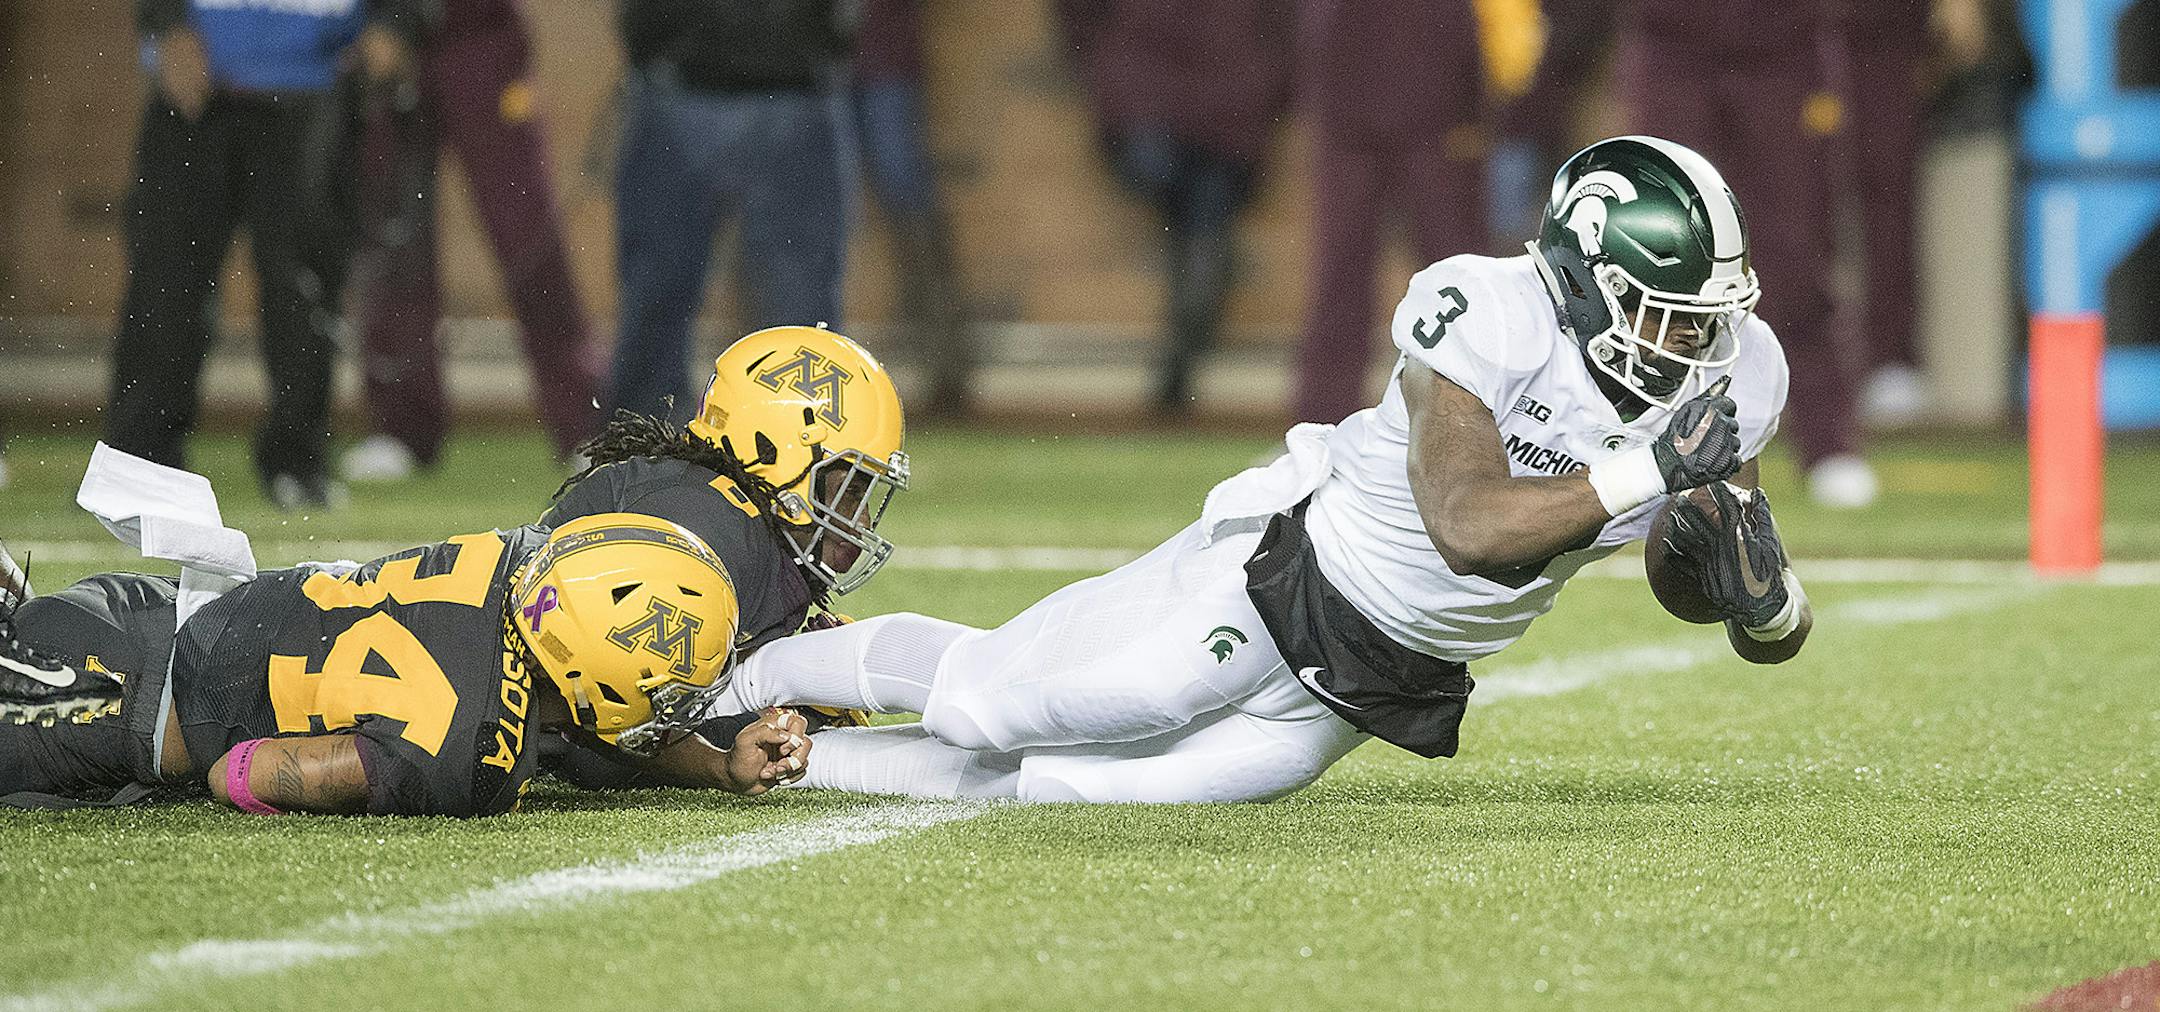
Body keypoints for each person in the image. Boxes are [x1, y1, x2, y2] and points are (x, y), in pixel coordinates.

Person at [707, 137, 1816, 803]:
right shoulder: (1487, 309)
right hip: (1289, 569)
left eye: (1711, 318)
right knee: (1022, 701)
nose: (1697, 344)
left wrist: (1763, 602)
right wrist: (1649, 469)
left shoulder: (1739, 370)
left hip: (1384, 674)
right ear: (1583, 276)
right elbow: (1467, 526)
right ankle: (724, 682)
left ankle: (763, 764)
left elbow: (1706, 560)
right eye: (1671, 314)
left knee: (1076, 788)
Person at [0, 511, 808, 814]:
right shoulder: (476, 758)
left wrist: (715, 766)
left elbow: (573, 691)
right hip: (109, 706)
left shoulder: (524, 557)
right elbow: (239, 775)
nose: (669, 712)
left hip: (149, 609)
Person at [532, 325, 911, 787]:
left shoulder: (729, 517)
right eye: (851, 490)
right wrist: (789, 716)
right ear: (775, 454)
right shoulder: (711, 531)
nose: (863, 521)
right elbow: (602, 744)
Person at [105, 0, 402, 510]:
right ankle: (139, 461)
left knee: (305, 288)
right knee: (166, 278)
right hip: (197, 81)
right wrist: (166, 23)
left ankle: (298, 460)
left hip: (316, 82)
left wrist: (394, 21)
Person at [1616, 0, 1878, 508]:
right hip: (1672, 37)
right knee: (1660, 239)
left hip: (1784, 38)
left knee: (1799, 250)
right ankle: (1645, 438)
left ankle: (1828, 440)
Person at [342, 0, 605, 481]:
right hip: (387, 36)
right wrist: (385, 19)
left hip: (480, 32)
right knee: (394, 243)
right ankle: (401, 426)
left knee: (526, 235)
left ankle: (582, 421)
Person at [608, 0, 859, 423]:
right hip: (766, 79)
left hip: (750, 80)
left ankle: (803, 440)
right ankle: (808, 442)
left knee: (796, 306)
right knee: (662, 290)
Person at [1056, 0, 1295, 416]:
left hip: (1215, 106)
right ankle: (1182, 357)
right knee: (1199, 227)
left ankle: (1179, 364)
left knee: (1199, 227)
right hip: (1186, 104)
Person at [1292, 0, 1491, 425]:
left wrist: (1469, 104)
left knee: (1462, 279)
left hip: (1431, 115)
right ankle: (1319, 429)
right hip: (1354, 113)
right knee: (1342, 278)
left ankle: (1493, 419)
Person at [850, 0, 978, 419]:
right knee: (788, 220)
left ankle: (949, 367)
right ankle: (773, 369)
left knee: (911, 207)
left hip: (882, 57)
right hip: (801, 69)